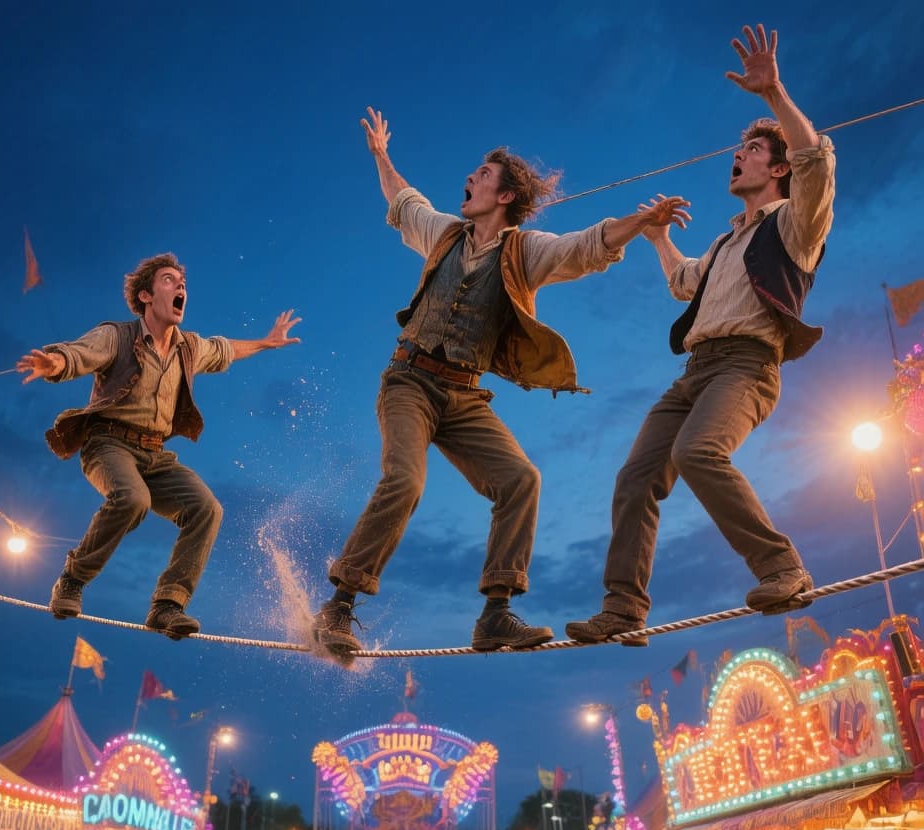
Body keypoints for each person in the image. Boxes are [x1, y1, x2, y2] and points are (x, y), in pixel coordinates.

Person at [311, 108, 688, 658]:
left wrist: (641, 222)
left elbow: (584, 247)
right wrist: (380, 154)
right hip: (409, 382)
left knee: (520, 480)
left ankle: (495, 615)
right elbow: (403, 201)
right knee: (405, 482)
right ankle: (339, 606)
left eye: (482, 175)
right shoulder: (442, 234)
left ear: (506, 195)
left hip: (463, 396)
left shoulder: (526, 252)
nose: (470, 179)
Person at [567, 23, 836, 645]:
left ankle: (783, 570)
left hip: (747, 367)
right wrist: (659, 238)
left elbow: (814, 159)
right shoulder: (726, 240)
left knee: (698, 454)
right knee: (637, 478)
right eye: (739, 150)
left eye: (748, 152)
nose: (737, 156)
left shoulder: (796, 225)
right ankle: (623, 611)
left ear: (775, 169)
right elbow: (687, 284)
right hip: (694, 372)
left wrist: (772, 97)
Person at [17, 253, 300, 638]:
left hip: (155, 454)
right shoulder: (117, 336)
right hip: (108, 445)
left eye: (182, 282)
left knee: (207, 509)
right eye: (170, 280)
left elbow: (225, 349)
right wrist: (54, 363)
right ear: (147, 295)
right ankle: (72, 579)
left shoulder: (189, 348)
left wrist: (266, 343)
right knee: (133, 500)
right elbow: (79, 353)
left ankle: (167, 606)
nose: (181, 286)